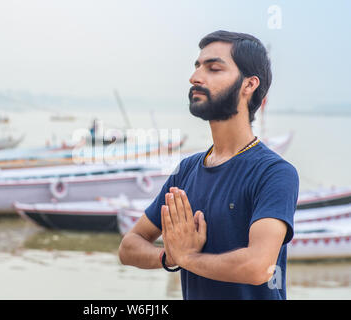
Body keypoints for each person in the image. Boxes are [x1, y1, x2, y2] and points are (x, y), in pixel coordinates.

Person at [118, 30, 299, 300]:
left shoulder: (274, 173)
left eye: (214, 68)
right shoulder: (187, 170)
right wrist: (168, 258)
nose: (195, 78)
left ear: (249, 85)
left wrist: (188, 257)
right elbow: (129, 246)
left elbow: (258, 266)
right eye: (197, 67)